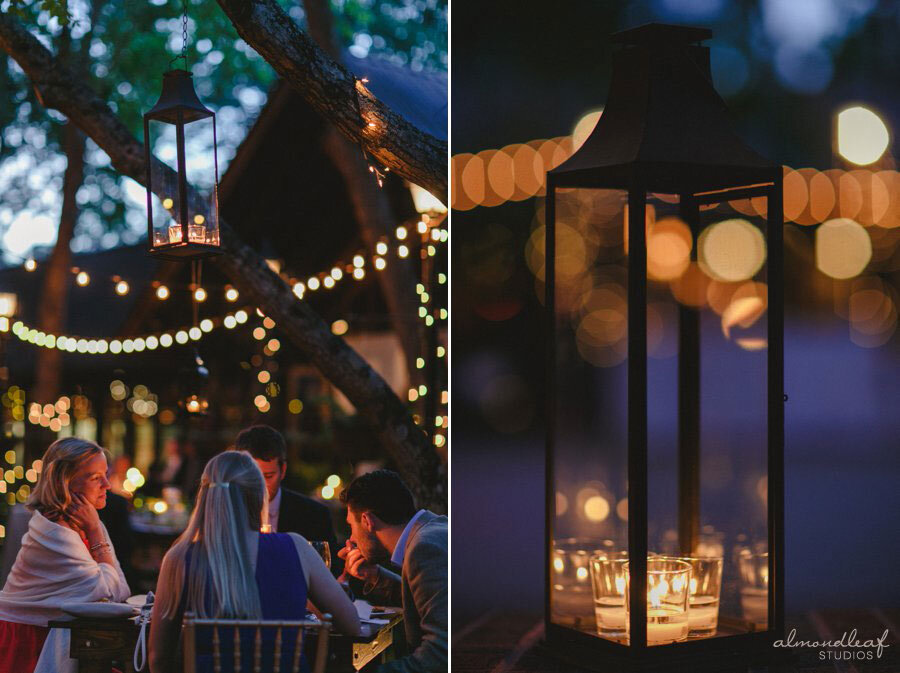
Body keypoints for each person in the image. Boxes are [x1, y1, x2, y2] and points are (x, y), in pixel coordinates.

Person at [148, 450, 359, 673]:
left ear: (205, 498)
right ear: (260, 497)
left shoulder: (180, 558)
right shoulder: (297, 548)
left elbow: (159, 659)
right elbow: (352, 625)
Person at [0, 438, 130, 673]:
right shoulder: (54, 532)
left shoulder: (91, 524)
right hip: (30, 641)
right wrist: (95, 533)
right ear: (64, 483)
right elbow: (110, 594)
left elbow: (120, 590)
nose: (108, 484)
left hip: (63, 638)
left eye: (105, 474)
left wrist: (95, 530)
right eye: (95, 478)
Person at [338, 470, 447, 672]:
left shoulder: (424, 548)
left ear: (367, 521)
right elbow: (428, 604)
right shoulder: (431, 529)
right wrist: (374, 576)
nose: (351, 539)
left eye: (351, 526)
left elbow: (441, 655)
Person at [233, 425, 340, 571]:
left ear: (282, 470)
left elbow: (331, 572)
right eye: (251, 476)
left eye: (268, 476)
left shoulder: (314, 516)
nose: (259, 485)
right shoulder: (228, 511)